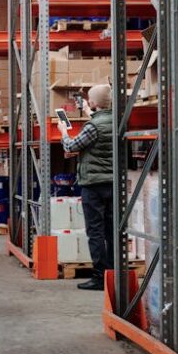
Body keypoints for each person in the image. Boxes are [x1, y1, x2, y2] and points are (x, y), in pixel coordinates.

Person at [57, 83, 113, 292]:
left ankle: (99, 277)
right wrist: (90, 111)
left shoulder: (93, 127)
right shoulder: (116, 120)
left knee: (95, 231)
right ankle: (113, 272)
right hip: (112, 184)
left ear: (93, 102)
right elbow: (100, 122)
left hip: (93, 185)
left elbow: (71, 146)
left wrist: (64, 131)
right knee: (111, 230)